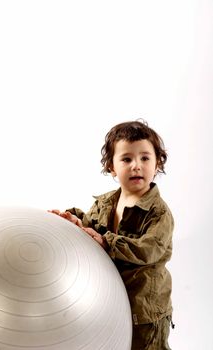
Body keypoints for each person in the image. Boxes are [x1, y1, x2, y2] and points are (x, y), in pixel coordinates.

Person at [49, 120, 174, 350]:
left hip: (145, 310)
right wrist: (75, 221)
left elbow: (147, 249)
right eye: (127, 159)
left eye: (145, 158)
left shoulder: (158, 212)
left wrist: (107, 242)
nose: (136, 165)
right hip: (110, 299)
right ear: (111, 167)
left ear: (157, 164)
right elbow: (92, 227)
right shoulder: (107, 202)